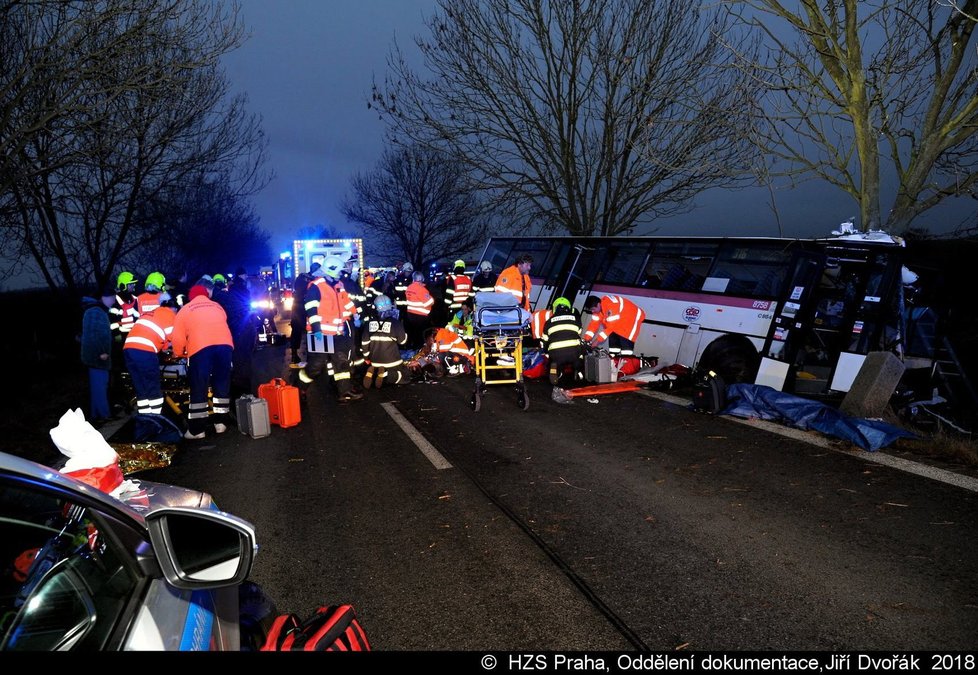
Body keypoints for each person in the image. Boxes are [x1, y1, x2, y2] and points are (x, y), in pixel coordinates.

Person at [295, 257, 363, 403]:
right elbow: (310, 308)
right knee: (316, 366)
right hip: (320, 334)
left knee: (342, 361)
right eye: (339, 270)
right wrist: (316, 329)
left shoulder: (338, 284)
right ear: (331, 270)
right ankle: (300, 388)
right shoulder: (316, 286)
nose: (341, 273)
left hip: (337, 332)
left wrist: (355, 313)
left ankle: (344, 392)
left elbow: (345, 301)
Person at [170, 283, 234, 439]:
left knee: (199, 386)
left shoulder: (186, 309)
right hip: (225, 347)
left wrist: (179, 354)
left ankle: (197, 430)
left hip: (200, 349)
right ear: (207, 295)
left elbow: (177, 338)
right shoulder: (217, 306)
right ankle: (221, 423)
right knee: (221, 385)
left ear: (190, 297)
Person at [123, 304, 176, 416]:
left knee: (141, 387)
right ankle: (156, 418)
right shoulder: (169, 314)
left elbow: (159, 337)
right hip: (145, 350)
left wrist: (165, 348)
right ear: (174, 309)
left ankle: (145, 418)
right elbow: (174, 337)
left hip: (129, 349)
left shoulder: (151, 314)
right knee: (152, 386)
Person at [80, 289, 116, 424]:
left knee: (97, 386)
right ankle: (104, 415)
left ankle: (96, 414)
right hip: (98, 357)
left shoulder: (95, 310)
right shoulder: (96, 312)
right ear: (104, 297)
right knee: (101, 385)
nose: (113, 301)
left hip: (94, 356)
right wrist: (102, 351)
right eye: (112, 298)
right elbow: (95, 334)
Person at [360, 295, 408, 389]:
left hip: (374, 361)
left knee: (376, 367)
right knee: (405, 375)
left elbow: (364, 343)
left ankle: (374, 373)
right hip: (392, 362)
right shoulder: (395, 322)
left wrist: (366, 357)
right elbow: (403, 342)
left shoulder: (369, 323)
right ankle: (385, 375)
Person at [540, 297, 584, 387]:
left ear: (555, 308)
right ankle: (578, 370)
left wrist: (546, 353)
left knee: (555, 359)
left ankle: (556, 370)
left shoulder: (548, 322)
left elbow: (544, 341)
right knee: (580, 349)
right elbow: (579, 333)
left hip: (556, 353)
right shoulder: (576, 319)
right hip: (574, 353)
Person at [289, 263, 318, 365]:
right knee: (309, 330)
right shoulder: (315, 279)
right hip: (303, 307)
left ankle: (294, 355)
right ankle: (307, 355)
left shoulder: (302, 276)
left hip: (298, 307)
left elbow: (296, 288)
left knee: (297, 332)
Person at [404, 270, 434, 349]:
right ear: (422, 279)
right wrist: (432, 299)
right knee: (421, 335)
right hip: (421, 316)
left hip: (410, 314)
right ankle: (420, 350)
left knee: (413, 333)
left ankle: (412, 347)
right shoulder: (422, 289)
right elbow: (429, 302)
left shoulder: (409, 287)